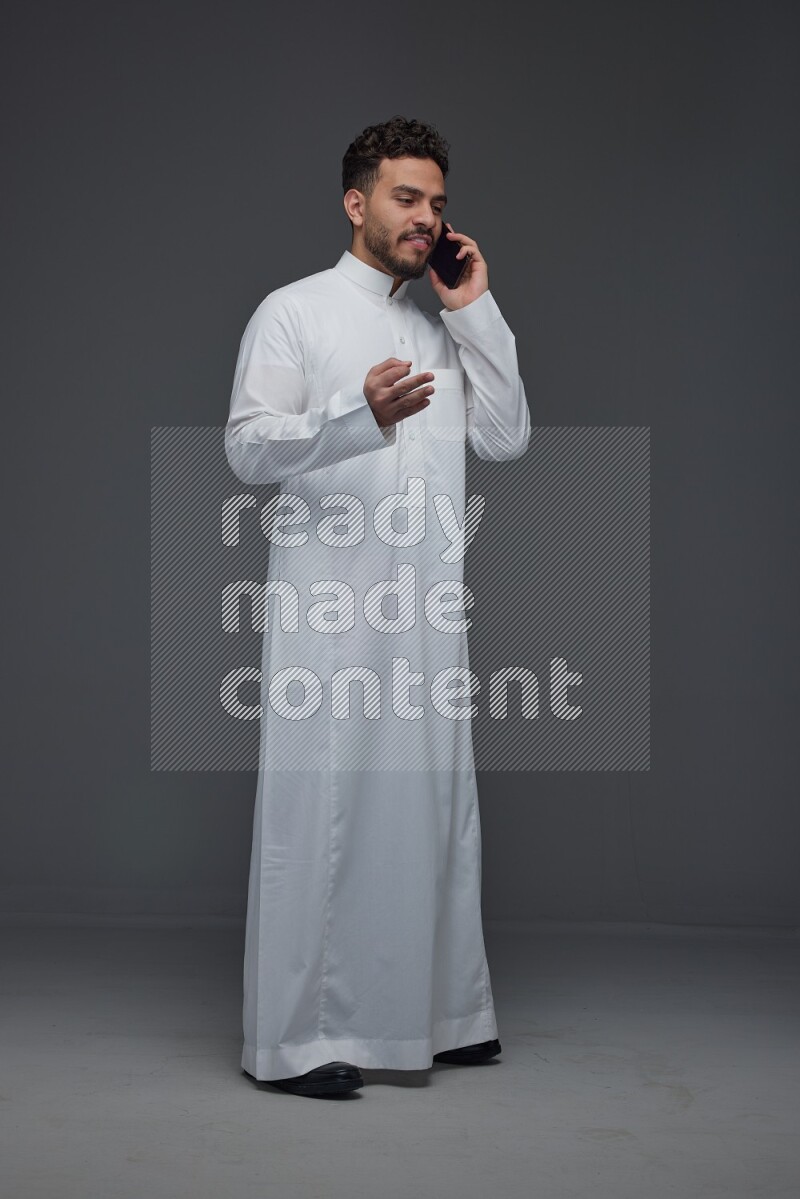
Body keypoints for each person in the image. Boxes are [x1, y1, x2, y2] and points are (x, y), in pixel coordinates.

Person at [224, 115, 530, 1098]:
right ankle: (296, 1039)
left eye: (437, 202)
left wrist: (476, 312)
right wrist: (357, 415)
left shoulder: (436, 324)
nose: (426, 217)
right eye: (406, 197)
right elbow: (247, 448)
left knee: (432, 806)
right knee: (325, 811)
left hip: (425, 613)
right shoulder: (294, 313)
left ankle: (443, 1016)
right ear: (356, 202)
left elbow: (508, 437)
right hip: (329, 613)